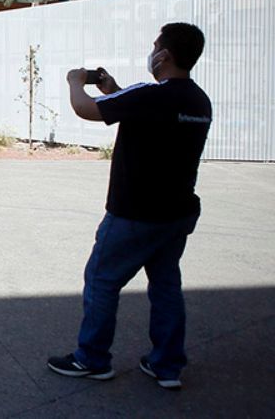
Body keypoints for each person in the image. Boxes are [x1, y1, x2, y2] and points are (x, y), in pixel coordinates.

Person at [47, 23, 212, 390]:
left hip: (134, 212)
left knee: (102, 280)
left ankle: (91, 358)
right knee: (166, 285)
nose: (151, 52)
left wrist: (75, 81)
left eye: (155, 46)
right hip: (177, 213)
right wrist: (114, 91)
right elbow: (147, 114)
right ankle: (167, 365)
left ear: (164, 55)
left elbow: (86, 109)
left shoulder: (150, 94)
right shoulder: (198, 101)